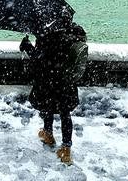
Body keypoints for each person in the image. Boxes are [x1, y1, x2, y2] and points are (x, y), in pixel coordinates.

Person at [19, 20, 88, 166]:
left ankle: (48, 134)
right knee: (65, 113)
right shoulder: (73, 31)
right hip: (65, 81)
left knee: (47, 108)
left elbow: (40, 59)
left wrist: (27, 46)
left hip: (48, 80)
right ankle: (66, 148)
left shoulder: (48, 34)